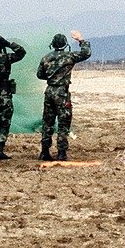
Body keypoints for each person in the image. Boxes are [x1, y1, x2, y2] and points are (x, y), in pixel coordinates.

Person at [36, 30, 91, 161]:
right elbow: (86, 53)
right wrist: (80, 40)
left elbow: (39, 74)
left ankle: (44, 152)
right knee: (63, 122)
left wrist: (52, 77)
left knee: (47, 122)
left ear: (53, 44)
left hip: (49, 91)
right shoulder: (69, 56)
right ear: (65, 44)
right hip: (62, 92)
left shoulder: (46, 57)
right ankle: (61, 153)